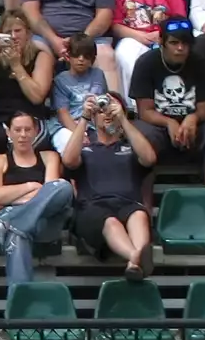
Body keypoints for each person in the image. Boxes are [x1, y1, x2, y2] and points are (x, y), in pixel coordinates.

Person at [62, 90, 157, 278]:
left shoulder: (130, 147)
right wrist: (84, 118)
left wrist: (123, 118)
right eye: (101, 111)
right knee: (111, 222)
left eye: (110, 109)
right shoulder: (87, 149)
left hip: (128, 205)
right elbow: (68, 160)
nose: (106, 114)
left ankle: (133, 264)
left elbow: (149, 158)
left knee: (138, 214)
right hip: (93, 209)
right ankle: (136, 256)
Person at [129, 15, 205, 196]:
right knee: (141, 135)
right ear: (161, 42)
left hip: (194, 128)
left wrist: (192, 118)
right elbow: (145, 112)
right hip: (157, 127)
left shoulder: (200, 63)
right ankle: (144, 209)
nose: (180, 48)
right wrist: (169, 122)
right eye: (174, 43)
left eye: (185, 43)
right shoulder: (146, 63)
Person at [0, 110, 73, 282]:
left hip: (43, 222)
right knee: (17, 232)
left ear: (36, 131)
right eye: (18, 129)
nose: (23, 135)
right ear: (8, 132)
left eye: (28, 129)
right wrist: (31, 186)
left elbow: (50, 193)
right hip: (19, 224)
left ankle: (5, 223)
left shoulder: (49, 157)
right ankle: (19, 299)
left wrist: (11, 198)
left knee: (63, 187)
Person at [0, 9, 54, 186]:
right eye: (8, 32)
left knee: (24, 141)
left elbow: (37, 96)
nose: (13, 36)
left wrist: (17, 66)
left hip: (30, 117)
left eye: (18, 31)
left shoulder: (41, 56)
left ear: (28, 33)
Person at [112, 0, 186, 97]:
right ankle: (133, 105)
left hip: (164, 41)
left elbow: (181, 22)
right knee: (126, 50)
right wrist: (139, 36)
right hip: (133, 39)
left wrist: (161, 36)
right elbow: (115, 25)